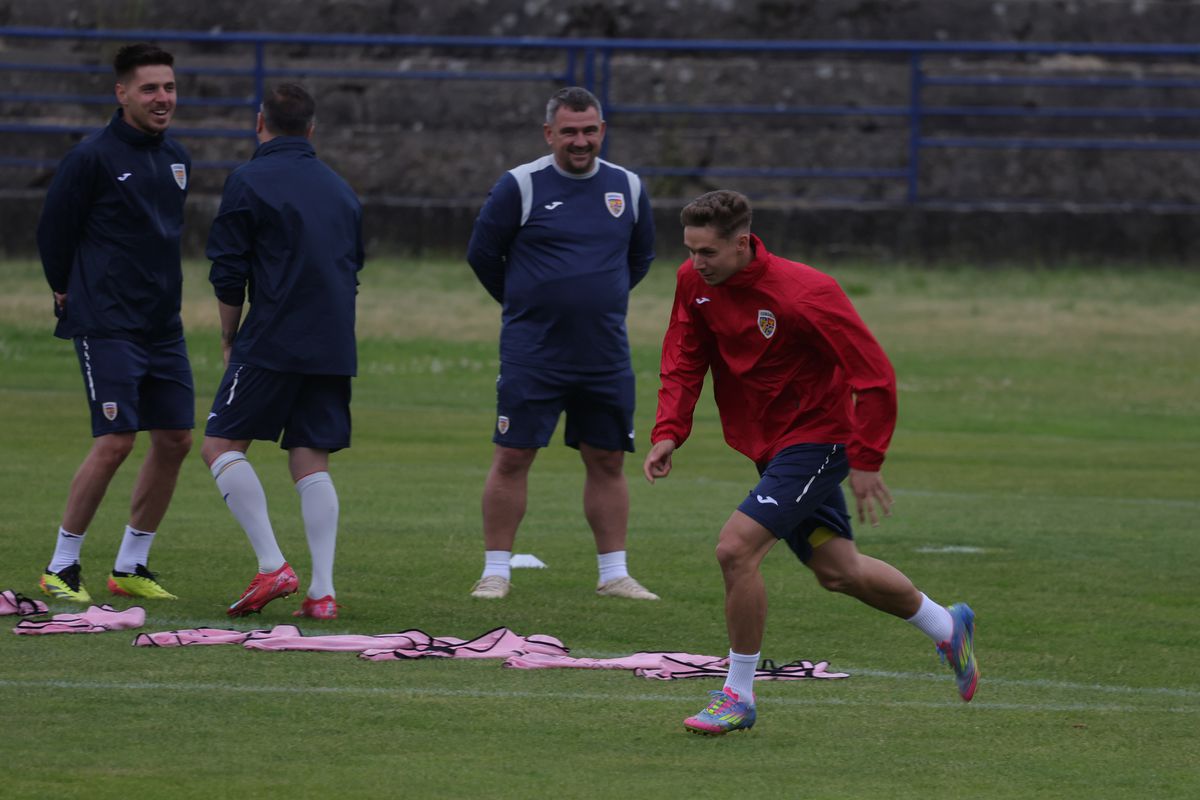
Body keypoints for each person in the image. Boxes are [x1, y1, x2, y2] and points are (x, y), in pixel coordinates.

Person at [643, 190, 979, 736]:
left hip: (819, 440)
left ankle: (737, 694)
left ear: (742, 243)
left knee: (735, 550)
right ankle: (947, 626)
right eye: (690, 250)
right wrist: (668, 432)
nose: (695, 263)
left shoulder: (806, 292)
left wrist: (866, 459)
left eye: (707, 252)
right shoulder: (694, 284)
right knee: (838, 571)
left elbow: (874, 376)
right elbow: (684, 356)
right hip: (770, 448)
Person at [465, 86, 659, 600]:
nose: (581, 140)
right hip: (535, 354)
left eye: (589, 130)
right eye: (569, 131)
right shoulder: (520, 185)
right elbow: (483, 255)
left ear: (602, 130)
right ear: (549, 133)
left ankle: (614, 574)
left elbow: (639, 260)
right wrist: (527, 305)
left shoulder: (629, 187)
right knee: (513, 457)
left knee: (608, 459)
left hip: (604, 354)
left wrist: (597, 299)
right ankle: (496, 572)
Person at [199, 83, 364, 620]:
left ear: (259, 122)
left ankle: (272, 565)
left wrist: (229, 336)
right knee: (310, 457)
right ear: (312, 129)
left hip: (272, 338)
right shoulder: (341, 190)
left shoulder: (248, 180)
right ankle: (322, 594)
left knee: (221, 446)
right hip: (332, 342)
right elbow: (353, 267)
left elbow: (229, 270)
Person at [35, 43, 193, 603]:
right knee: (116, 441)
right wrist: (65, 290)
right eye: (150, 88)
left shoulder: (177, 157)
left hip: (162, 326)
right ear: (121, 93)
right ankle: (62, 565)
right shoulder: (91, 157)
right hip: (106, 322)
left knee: (175, 439)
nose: (162, 98)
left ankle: (131, 564)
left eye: (169, 87)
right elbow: (54, 233)